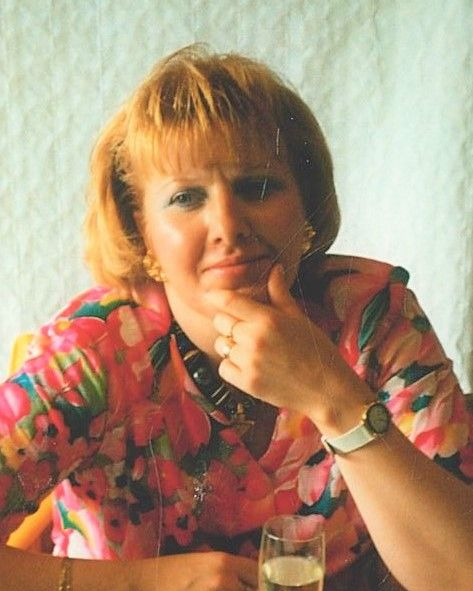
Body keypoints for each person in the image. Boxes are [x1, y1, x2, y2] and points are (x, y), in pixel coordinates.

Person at [0, 44, 472, 591]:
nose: (227, 225)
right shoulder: (93, 352)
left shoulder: (373, 317)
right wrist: (145, 583)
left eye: (258, 187)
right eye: (186, 198)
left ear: (307, 205)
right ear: (141, 229)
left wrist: (333, 396)